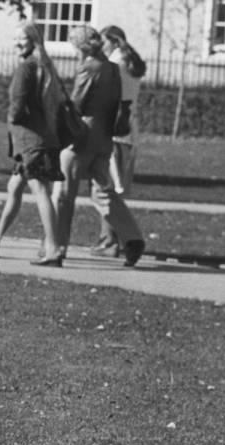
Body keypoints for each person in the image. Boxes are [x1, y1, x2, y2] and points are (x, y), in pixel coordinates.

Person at [52, 25, 146, 267]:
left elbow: (78, 105)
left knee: (64, 194)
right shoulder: (113, 68)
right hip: (103, 139)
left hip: (81, 138)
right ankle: (132, 237)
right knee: (102, 191)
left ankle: (57, 247)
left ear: (80, 46)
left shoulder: (89, 67)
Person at [0, 21, 65, 267]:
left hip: (31, 142)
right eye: (15, 38)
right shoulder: (45, 66)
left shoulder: (27, 67)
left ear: (33, 40)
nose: (17, 43)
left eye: (22, 38)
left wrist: (13, 117)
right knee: (14, 188)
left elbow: (18, 104)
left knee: (41, 191)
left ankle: (54, 249)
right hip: (38, 140)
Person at [91, 25, 147, 257]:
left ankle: (113, 241)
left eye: (103, 42)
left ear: (113, 42)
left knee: (104, 189)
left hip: (113, 132)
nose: (100, 47)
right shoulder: (131, 63)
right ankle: (111, 239)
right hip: (128, 133)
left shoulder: (115, 64)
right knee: (110, 188)